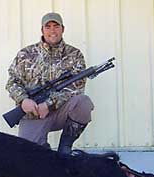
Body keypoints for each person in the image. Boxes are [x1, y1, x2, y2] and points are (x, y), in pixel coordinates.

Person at [6, 12, 94, 154]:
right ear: (42, 30)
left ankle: (64, 150)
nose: (52, 30)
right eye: (48, 27)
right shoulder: (25, 54)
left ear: (62, 29)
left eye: (56, 26)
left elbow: (76, 88)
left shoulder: (75, 54)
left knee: (83, 103)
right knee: (29, 157)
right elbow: (12, 82)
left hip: (59, 111)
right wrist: (23, 101)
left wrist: (49, 104)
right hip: (33, 114)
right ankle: (43, 150)